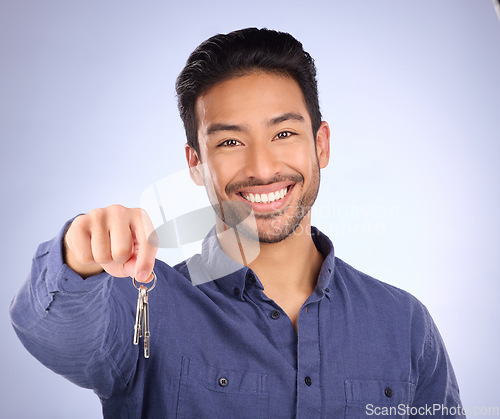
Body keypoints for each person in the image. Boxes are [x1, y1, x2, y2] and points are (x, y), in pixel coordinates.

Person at [10, 27, 464, 418]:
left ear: (320, 144)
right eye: (229, 141)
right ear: (195, 162)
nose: (262, 168)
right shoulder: (146, 305)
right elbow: (53, 335)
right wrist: (78, 255)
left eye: (284, 134)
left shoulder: (404, 325)